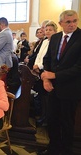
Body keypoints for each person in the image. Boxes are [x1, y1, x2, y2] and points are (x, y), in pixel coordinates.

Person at [39, 10, 81, 155]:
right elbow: (47, 60)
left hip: (70, 89)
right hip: (53, 88)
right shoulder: (56, 37)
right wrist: (46, 79)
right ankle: (53, 149)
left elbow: (78, 68)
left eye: (75, 21)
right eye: (68, 22)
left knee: (67, 123)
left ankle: (66, 151)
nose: (72, 24)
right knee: (52, 121)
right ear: (60, 23)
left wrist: (54, 75)